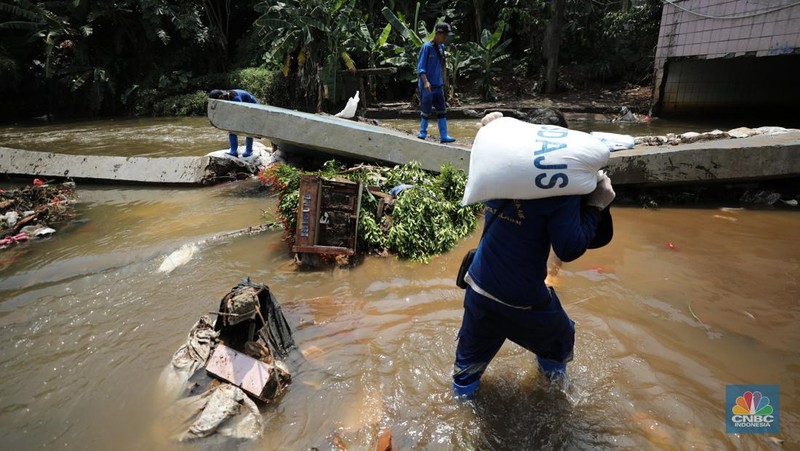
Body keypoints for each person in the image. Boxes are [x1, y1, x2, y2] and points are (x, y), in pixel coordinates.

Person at [452, 109, 616, 398]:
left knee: (466, 372)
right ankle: (551, 395)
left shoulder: (500, 166)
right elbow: (569, 247)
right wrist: (596, 206)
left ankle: (460, 410)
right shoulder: (560, 187)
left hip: (478, 285)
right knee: (560, 340)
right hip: (522, 301)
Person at [416, 22, 456, 143]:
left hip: (438, 85)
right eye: (444, 36)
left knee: (442, 110)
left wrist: (444, 82)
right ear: (438, 34)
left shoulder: (441, 48)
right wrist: (426, 82)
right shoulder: (427, 47)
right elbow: (420, 68)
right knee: (426, 110)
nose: (445, 39)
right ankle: (422, 133)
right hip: (428, 85)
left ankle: (444, 136)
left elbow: (442, 66)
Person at [209, 89, 259, 157]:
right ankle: (233, 151)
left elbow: (241, 111)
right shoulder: (224, 99)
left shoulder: (235, 98)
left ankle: (249, 151)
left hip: (253, 105)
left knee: (248, 128)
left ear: (221, 97)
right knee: (231, 128)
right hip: (241, 106)